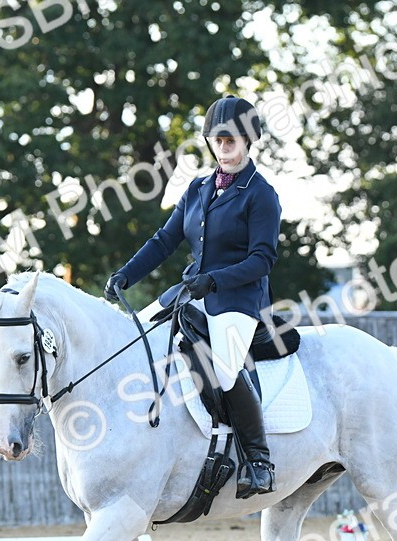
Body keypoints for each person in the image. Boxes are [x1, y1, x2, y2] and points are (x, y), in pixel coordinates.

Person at [104, 95, 281, 499]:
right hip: (190, 293)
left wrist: (216, 281)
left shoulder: (261, 194)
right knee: (136, 340)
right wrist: (126, 274)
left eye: (232, 139)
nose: (224, 147)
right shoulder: (199, 188)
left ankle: (258, 459)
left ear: (249, 140)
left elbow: (262, 259)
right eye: (218, 139)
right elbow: (165, 240)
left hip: (238, 302)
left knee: (223, 368)